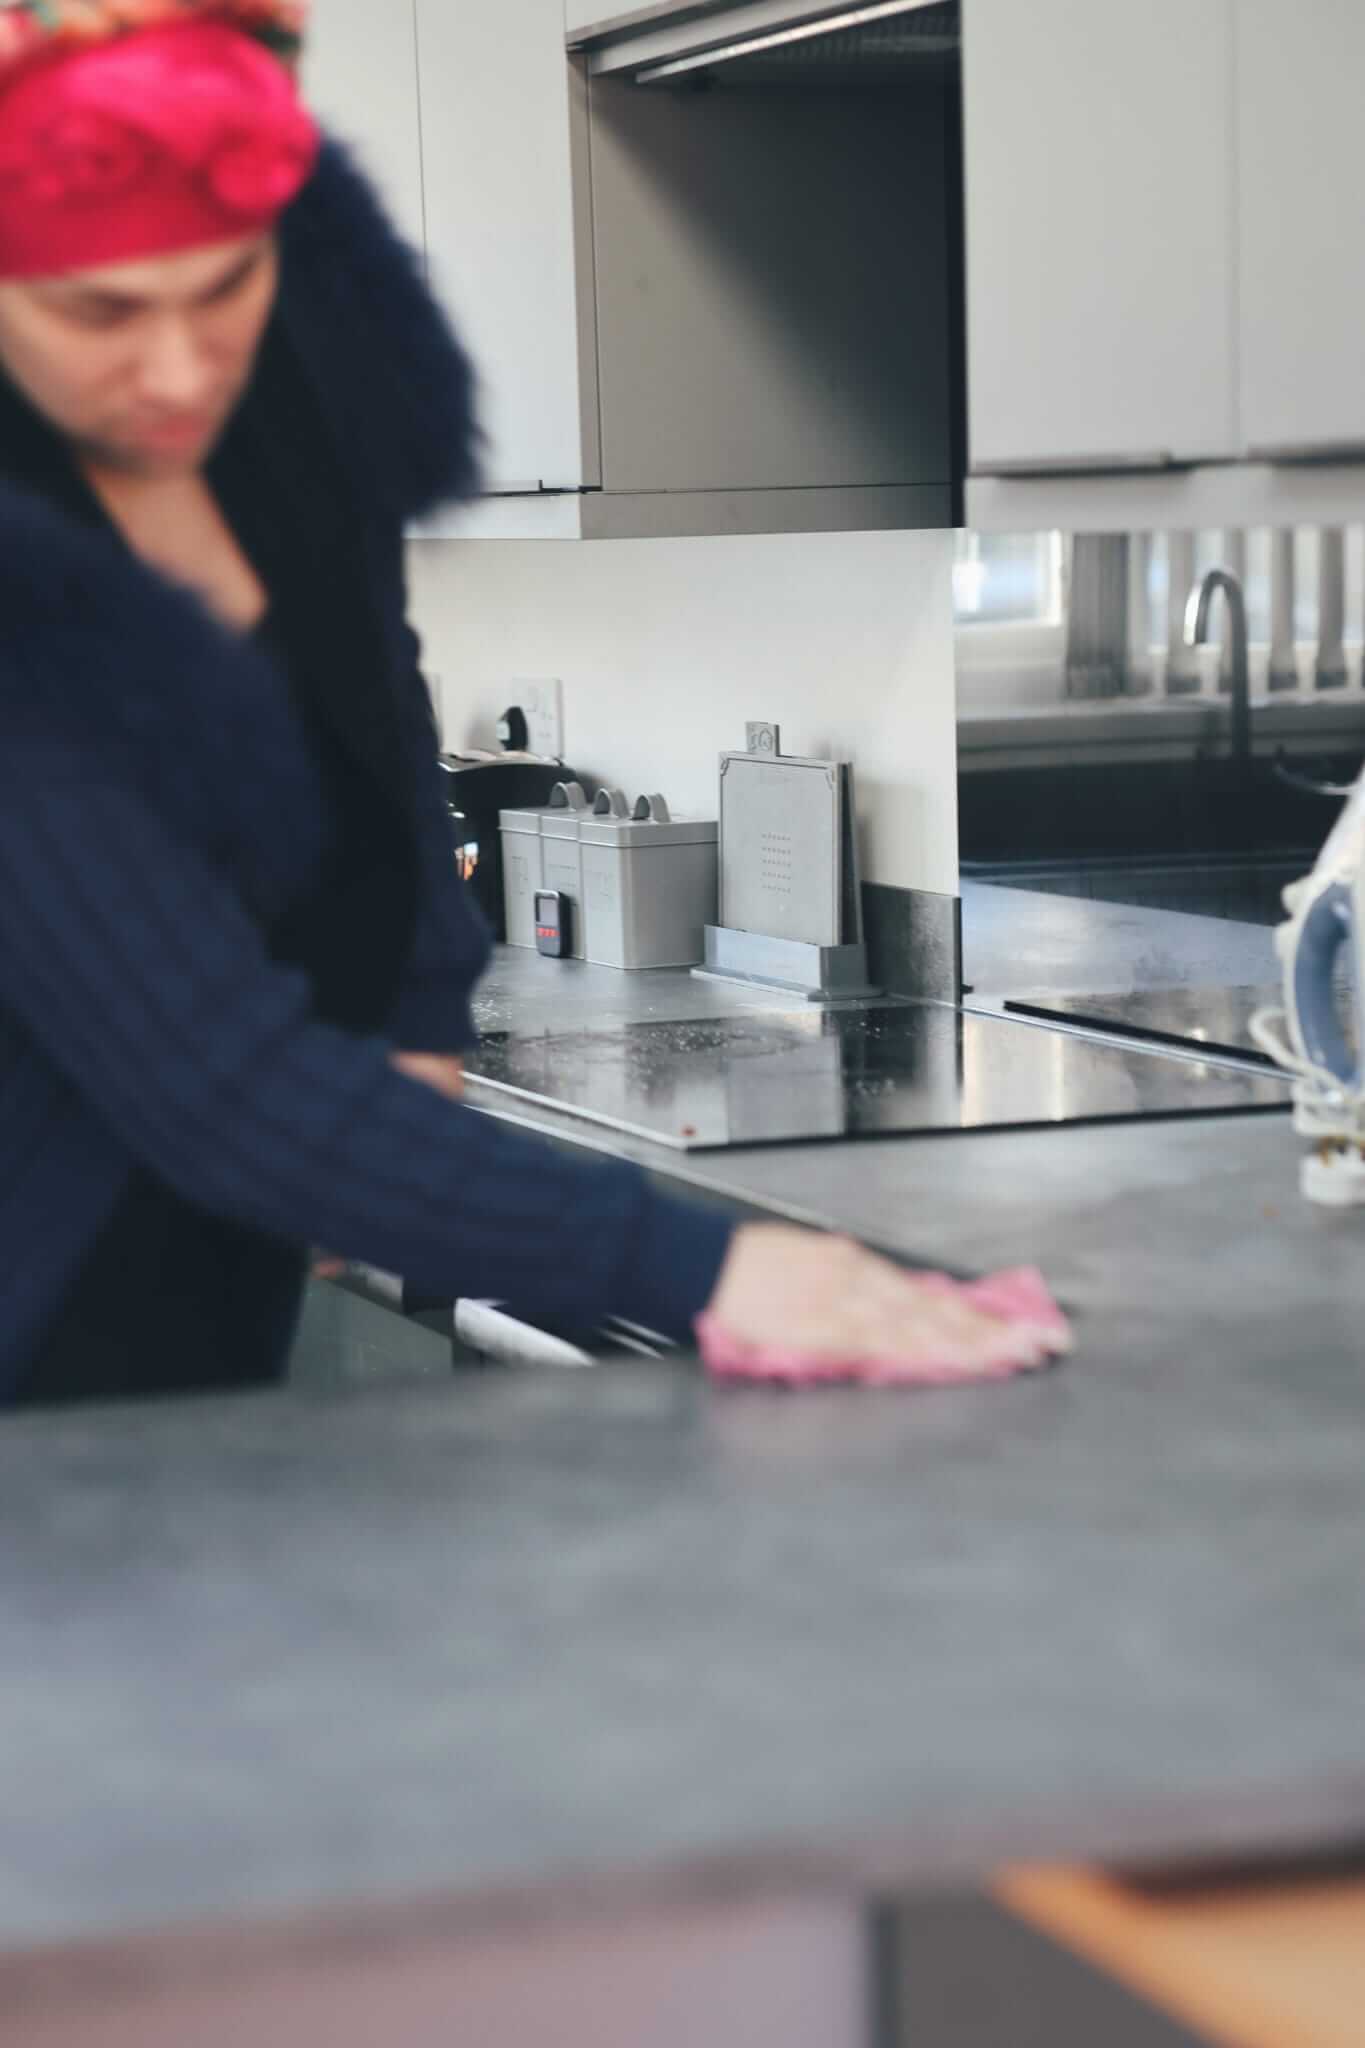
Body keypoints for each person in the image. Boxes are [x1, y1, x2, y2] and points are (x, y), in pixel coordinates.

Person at [0, 0, 1024, 1405]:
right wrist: (721, 1273)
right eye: (100, 312)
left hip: (186, 1310)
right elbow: (212, 1080)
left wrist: (416, 1025)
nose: (182, 370)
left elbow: (375, 724)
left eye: (222, 288)